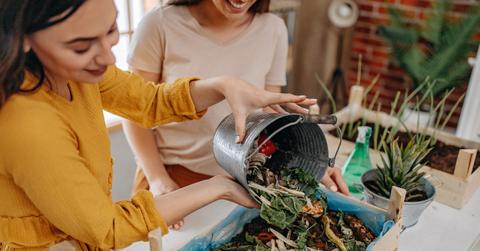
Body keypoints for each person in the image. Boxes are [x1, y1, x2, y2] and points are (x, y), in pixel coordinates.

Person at [0, 0, 315, 250]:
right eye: (82, 47)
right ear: (22, 37)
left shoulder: (75, 73)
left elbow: (148, 102)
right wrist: (218, 186)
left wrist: (223, 85)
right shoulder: (27, 125)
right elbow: (107, 228)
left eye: (111, 31)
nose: (108, 58)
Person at [125, 0, 349, 229]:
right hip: (174, 178)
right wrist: (158, 179)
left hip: (242, 179)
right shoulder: (160, 23)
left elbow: (268, 114)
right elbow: (134, 111)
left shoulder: (273, 29)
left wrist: (306, 161)